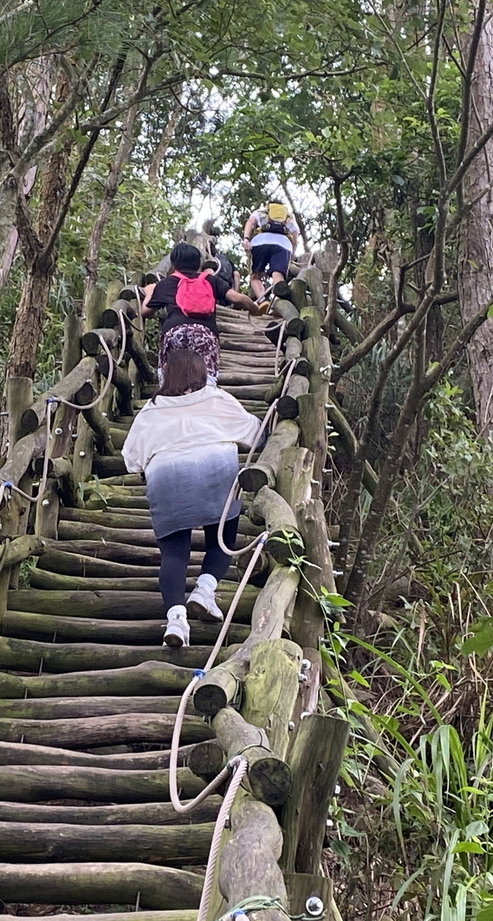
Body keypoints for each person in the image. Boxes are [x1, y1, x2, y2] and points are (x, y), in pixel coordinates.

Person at [121, 349, 263, 648]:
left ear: (166, 374)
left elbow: (131, 460)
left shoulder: (152, 409)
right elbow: (255, 433)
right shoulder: (217, 398)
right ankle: (205, 590)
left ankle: (176, 621)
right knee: (221, 540)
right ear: (203, 374)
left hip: (167, 476)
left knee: (174, 555)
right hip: (216, 470)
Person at [140, 242, 263, 385]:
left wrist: (149, 292)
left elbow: (146, 312)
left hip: (174, 332)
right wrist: (255, 309)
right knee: (206, 383)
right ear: (199, 263)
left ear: (173, 264)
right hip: (205, 334)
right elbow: (238, 298)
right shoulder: (211, 280)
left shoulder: (166, 283)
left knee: (170, 382)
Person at [242, 202, 300, 303]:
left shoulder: (262, 211)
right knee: (278, 274)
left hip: (261, 242)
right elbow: (295, 236)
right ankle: (279, 301)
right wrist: (292, 252)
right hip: (283, 245)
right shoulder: (289, 216)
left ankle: (263, 301)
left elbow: (251, 221)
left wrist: (246, 238)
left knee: (255, 276)